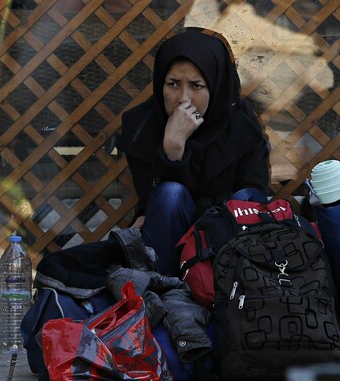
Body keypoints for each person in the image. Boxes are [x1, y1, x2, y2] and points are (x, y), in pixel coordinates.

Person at [116, 30, 270, 277]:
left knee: (246, 199)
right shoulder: (143, 126)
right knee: (169, 194)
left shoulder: (242, 128)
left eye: (197, 86)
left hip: (228, 255)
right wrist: (173, 149)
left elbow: (253, 193)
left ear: (216, 86)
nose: (183, 99)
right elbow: (153, 200)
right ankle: (165, 292)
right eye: (173, 84)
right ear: (160, 84)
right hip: (171, 251)